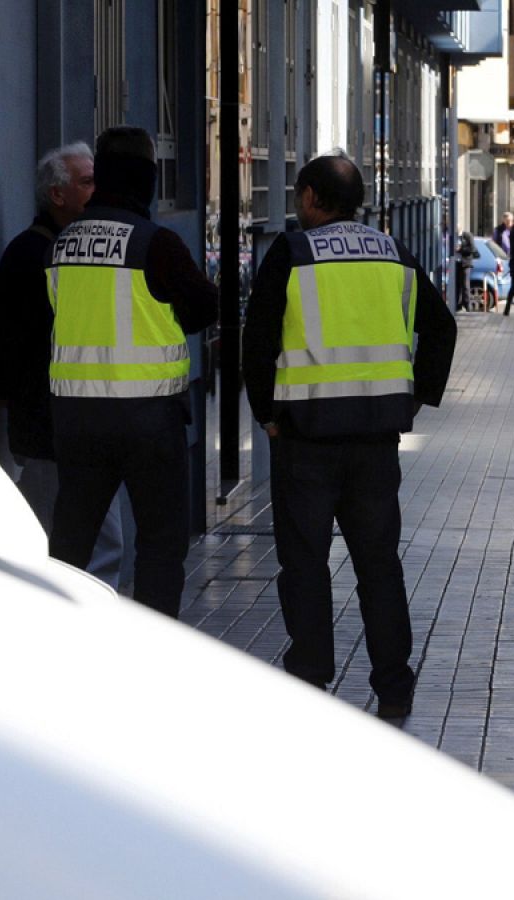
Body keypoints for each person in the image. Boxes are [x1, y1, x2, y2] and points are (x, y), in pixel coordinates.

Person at [241, 153, 457, 720]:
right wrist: (414, 397)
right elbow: (442, 326)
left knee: (305, 565)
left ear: (312, 197)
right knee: (378, 566)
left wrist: (266, 412)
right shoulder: (394, 252)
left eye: (298, 195)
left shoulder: (291, 253)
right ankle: (393, 686)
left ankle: (312, 678)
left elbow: (257, 341)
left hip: (306, 440)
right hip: (375, 443)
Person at [46, 126, 219, 619]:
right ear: (147, 178)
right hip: (148, 421)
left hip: (77, 420)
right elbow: (204, 308)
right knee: (161, 546)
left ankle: (62, 641)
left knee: (71, 545)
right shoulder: (155, 243)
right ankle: (153, 651)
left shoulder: (62, 245)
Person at [0, 142, 129, 590]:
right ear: (57, 194)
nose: (97, 189)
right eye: (86, 181)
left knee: (80, 542)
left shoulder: (63, 250)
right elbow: (18, 352)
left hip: (77, 428)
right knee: (78, 544)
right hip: (53, 431)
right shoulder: (34, 255)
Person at [454, 230, 477, 312]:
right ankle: (457, 305)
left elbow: (472, 249)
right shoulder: (453, 236)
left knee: (465, 285)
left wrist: (460, 249)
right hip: (457, 263)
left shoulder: (467, 236)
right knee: (457, 285)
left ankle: (468, 305)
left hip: (465, 264)